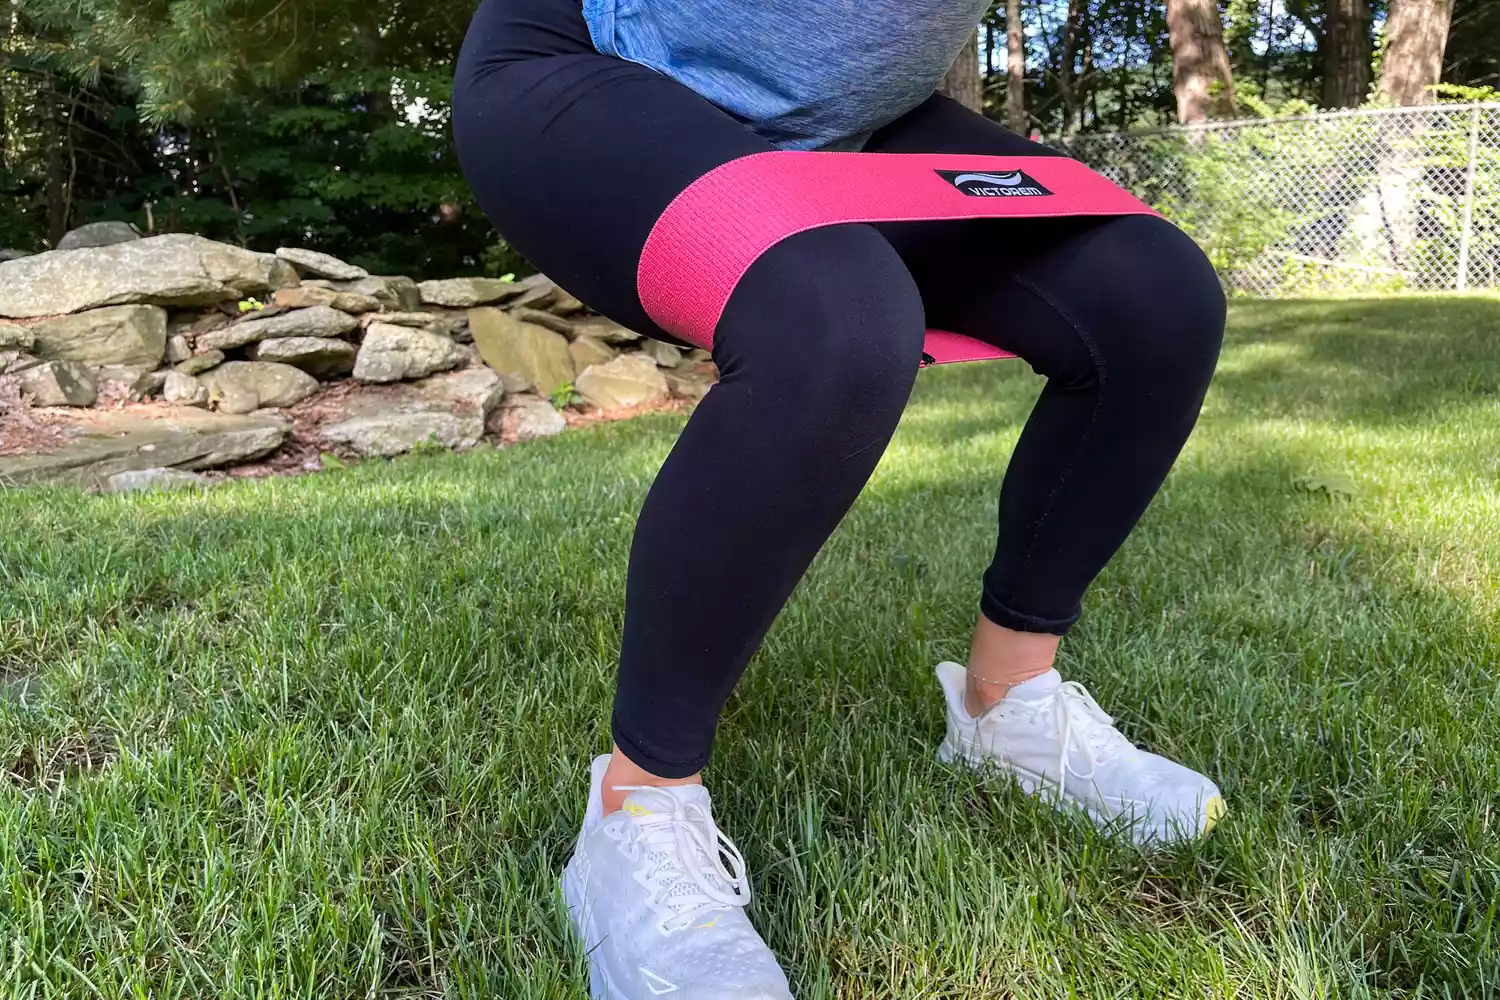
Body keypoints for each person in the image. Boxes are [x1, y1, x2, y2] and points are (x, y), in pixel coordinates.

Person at [453, 1, 1228, 995]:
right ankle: (636, 809)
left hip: (857, 115)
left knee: (1156, 297)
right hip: (588, 58)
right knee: (835, 315)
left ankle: (1006, 706)